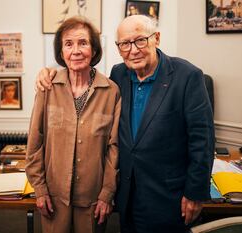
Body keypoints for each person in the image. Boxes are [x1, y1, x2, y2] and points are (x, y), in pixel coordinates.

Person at [35, 15, 215, 233]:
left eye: (140, 40)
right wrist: (48, 71)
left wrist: (195, 192)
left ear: (156, 38)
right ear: (118, 48)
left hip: (167, 197)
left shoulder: (187, 76)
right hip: (128, 194)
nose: (133, 49)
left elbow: (202, 140)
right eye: (125, 44)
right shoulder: (118, 76)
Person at [26, 16, 121, 233]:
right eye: (68, 44)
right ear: (61, 53)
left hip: (93, 199)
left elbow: (114, 148)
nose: (75, 50)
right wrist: (39, 189)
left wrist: (107, 193)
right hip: (53, 197)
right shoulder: (47, 87)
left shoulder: (112, 91)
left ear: (94, 50)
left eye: (83, 43)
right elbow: (35, 141)